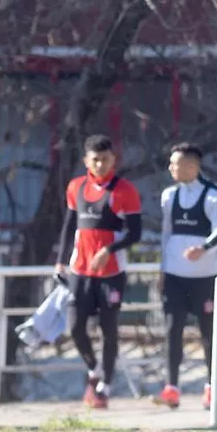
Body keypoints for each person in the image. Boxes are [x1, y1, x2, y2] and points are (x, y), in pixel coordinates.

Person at [55, 134, 143, 409]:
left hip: (111, 273)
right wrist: (60, 261)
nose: (101, 164)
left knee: (108, 329)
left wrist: (109, 250)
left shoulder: (125, 190)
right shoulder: (75, 187)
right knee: (75, 326)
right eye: (96, 160)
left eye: (106, 159)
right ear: (86, 161)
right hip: (80, 271)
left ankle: (105, 385)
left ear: (113, 159)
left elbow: (135, 233)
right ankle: (94, 369)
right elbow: (70, 225)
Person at [156, 143, 217, 410]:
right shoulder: (169, 196)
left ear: (191, 166)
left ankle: (211, 386)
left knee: (208, 333)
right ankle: (172, 387)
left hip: (205, 277)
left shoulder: (214, 196)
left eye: (176, 164)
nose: (171, 169)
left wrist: (204, 248)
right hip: (175, 277)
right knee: (172, 329)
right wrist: (162, 270)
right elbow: (166, 235)